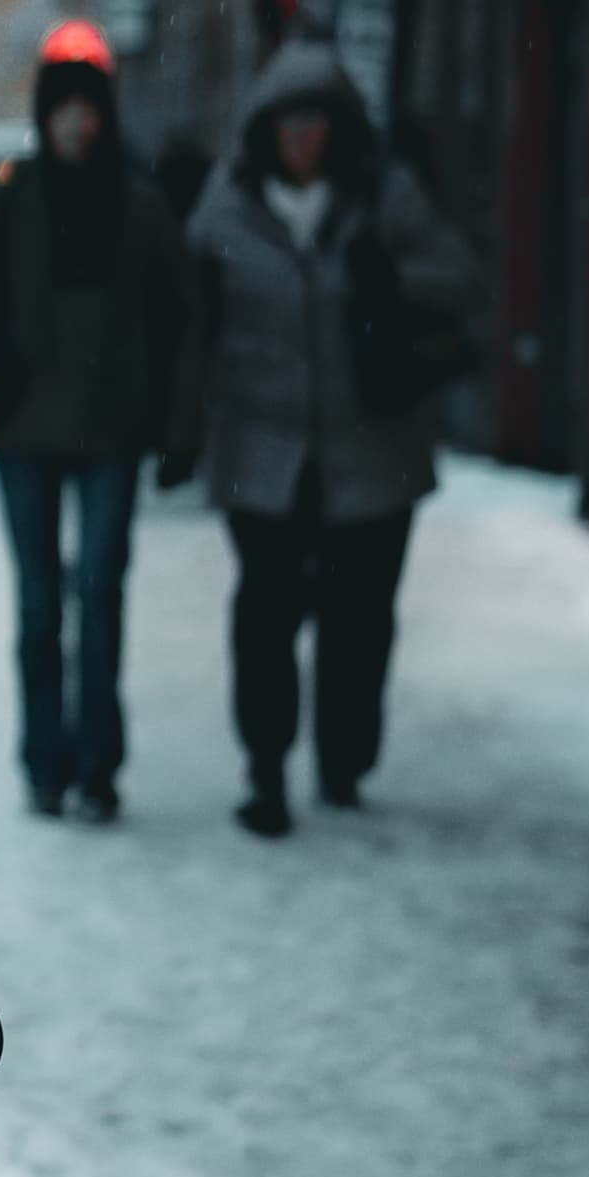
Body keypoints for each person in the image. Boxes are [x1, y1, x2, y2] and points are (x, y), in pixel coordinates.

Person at [183, 42, 480, 836]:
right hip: (260, 450)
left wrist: (393, 277)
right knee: (266, 616)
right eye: (287, 120)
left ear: (338, 128)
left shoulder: (384, 198)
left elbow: (459, 275)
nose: (300, 136)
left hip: (372, 451)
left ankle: (345, 761)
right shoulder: (229, 202)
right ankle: (267, 770)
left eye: (314, 119)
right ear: (265, 129)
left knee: (359, 617)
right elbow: (186, 305)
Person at [0, 24, 194, 820]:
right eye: (64, 109)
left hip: (112, 428)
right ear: (46, 117)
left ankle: (99, 763)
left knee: (101, 595)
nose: (78, 123)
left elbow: (181, 321)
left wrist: (179, 431)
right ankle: (45, 761)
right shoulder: (10, 206)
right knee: (40, 605)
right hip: (24, 428)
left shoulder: (138, 208)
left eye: (88, 108)